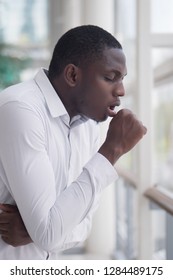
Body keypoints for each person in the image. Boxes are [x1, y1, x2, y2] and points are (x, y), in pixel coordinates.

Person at [0, 25, 147, 260]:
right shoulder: (20, 109)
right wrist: (111, 151)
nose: (120, 90)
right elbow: (50, 235)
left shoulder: (87, 126)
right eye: (110, 78)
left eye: (122, 79)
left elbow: (84, 224)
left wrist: (34, 232)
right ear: (72, 75)